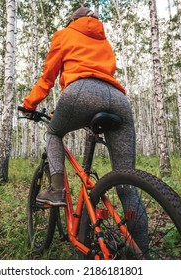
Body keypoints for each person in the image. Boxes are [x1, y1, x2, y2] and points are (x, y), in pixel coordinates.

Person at [22, 7, 137, 208]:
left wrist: (29, 105)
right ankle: (137, 240)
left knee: (53, 134)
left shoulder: (64, 35)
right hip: (119, 99)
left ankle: (56, 190)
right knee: (127, 184)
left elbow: (47, 78)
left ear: (72, 21)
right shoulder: (104, 40)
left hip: (81, 92)